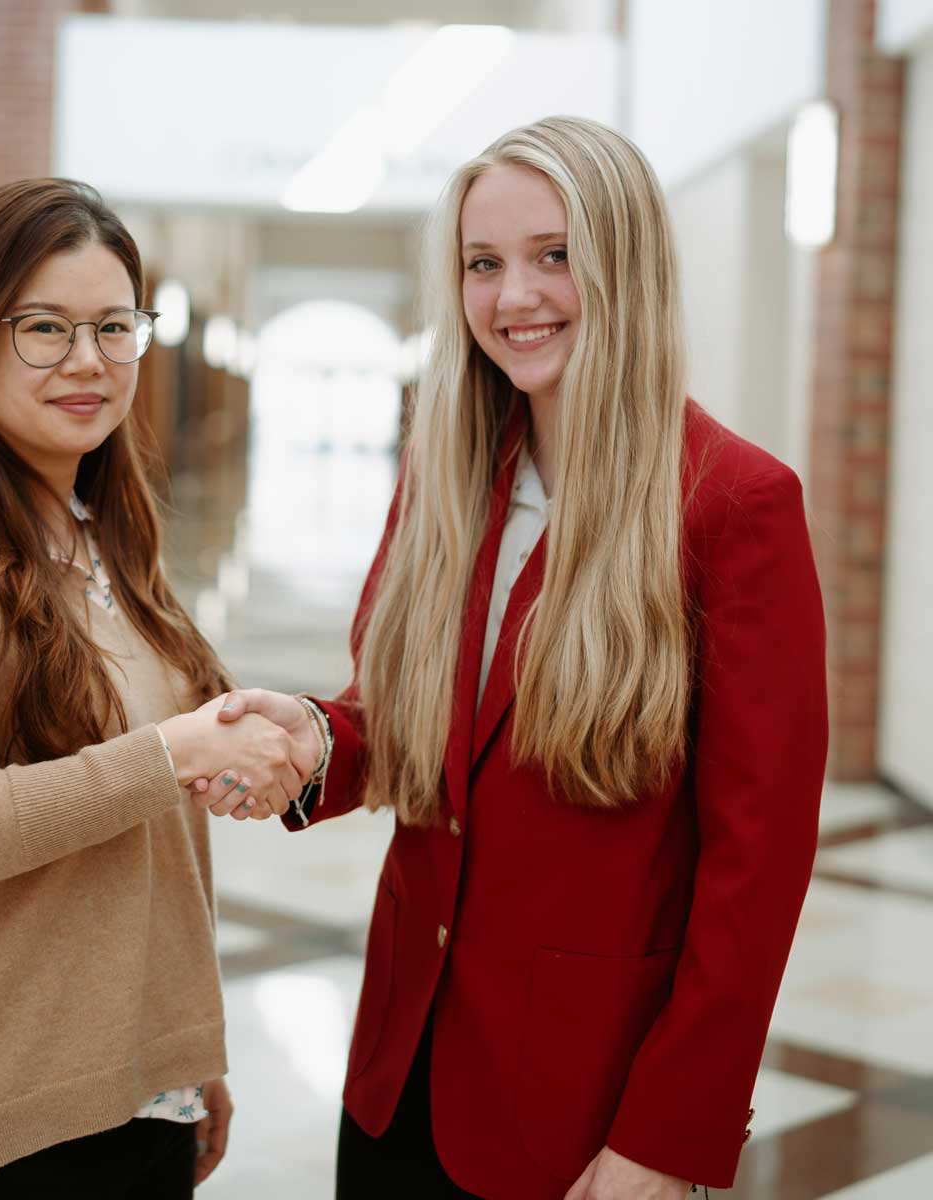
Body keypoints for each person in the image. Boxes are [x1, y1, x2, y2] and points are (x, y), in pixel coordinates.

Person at [196, 116, 828, 1199]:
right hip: (399, 1069)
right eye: (482, 263)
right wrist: (320, 739)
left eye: (554, 254)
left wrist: (668, 1136)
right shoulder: (445, 472)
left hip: (580, 1104)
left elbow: (756, 871)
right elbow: (413, 723)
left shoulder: (733, 505)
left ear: (625, 264)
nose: (514, 296)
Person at [0, 178, 315, 1197]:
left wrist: (186, 1042)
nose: (88, 359)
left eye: (114, 326)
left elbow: (150, 831)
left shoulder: (108, 534)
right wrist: (177, 750)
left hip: (145, 1094)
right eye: (44, 327)